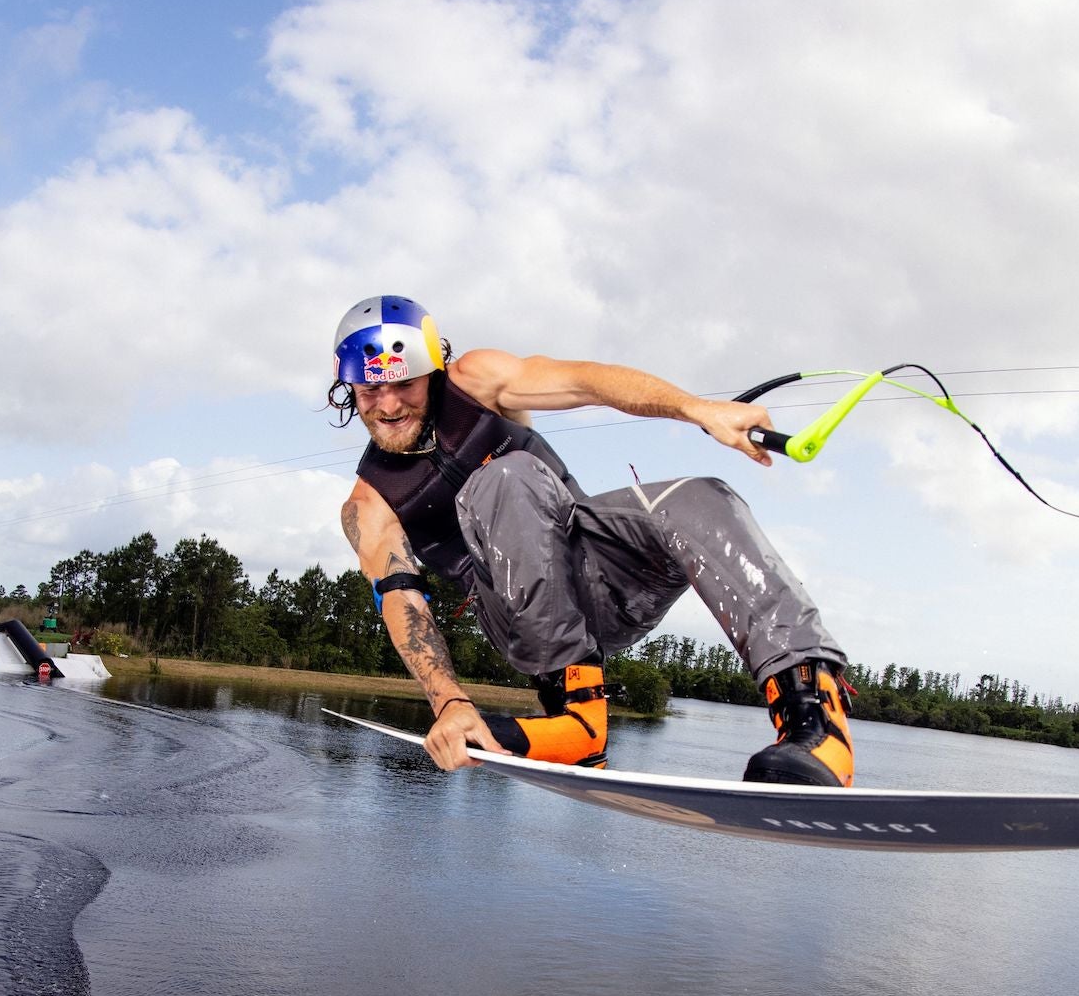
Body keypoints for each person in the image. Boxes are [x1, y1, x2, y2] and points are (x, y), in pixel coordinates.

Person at [331, 295, 854, 785]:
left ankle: (812, 713)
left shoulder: (477, 381)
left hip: (610, 574)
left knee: (700, 496)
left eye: (406, 384)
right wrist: (450, 704)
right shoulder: (369, 505)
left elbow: (587, 383)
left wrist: (698, 409)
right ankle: (576, 717)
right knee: (504, 478)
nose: (390, 404)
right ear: (350, 390)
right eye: (372, 390)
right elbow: (406, 610)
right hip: (521, 619)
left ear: (432, 371)